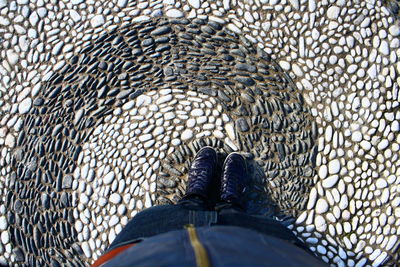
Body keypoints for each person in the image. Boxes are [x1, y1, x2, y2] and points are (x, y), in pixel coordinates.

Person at [92, 147, 326, 267]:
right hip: (266, 251)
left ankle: (195, 198)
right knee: (238, 217)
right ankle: (229, 204)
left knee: (170, 214)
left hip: (145, 248)